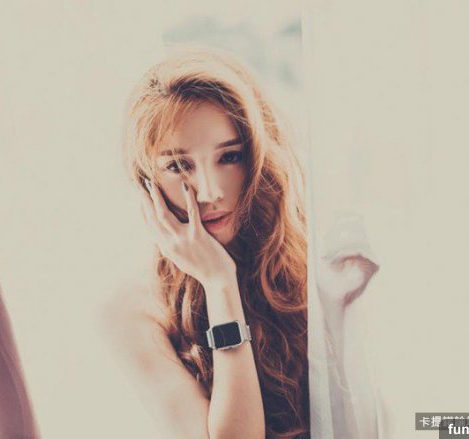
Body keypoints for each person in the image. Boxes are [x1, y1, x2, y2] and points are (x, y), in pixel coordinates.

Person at [108, 47, 308, 439]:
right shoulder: (135, 311)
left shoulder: (303, 259)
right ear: (146, 181)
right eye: (178, 165)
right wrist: (219, 283)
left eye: (229, 157)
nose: (210, 192)